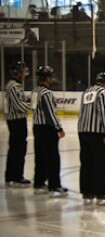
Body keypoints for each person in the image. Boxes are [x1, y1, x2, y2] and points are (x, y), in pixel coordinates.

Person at [78, 72, 105, 206]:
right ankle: (100, 191)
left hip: (83, 131)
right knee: (100, 163)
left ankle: (86, 191)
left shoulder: (87, 91)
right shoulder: (103, 92)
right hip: (97, 133)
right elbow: (104, 113)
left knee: (86, 163)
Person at [32, 66, 68, 197]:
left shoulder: (36, 91)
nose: (52, 79)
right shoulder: (46, 93)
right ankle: (54, 185)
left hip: (37, 127)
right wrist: (59, 128)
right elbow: (50, 114)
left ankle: (39, 182)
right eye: (51, 77)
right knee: (52, 158)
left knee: (40, 156)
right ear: (47, 78)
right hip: (47, 129)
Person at [4, 61, 31, 187]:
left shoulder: (14, 85)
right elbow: (18, 105)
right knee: (18, 149)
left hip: (17, 120)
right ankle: (16, 176)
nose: (24, 74)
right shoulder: (14, 87)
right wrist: (32, 106)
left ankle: (11, 175)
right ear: (16, 73)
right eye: (22, 71)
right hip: (16, 121)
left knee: (16, 148)